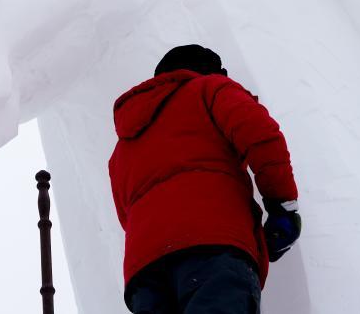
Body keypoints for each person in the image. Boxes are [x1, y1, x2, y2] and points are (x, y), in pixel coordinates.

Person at [108, 45, 301, 314]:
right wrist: (282, 206)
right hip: (213, 250)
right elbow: (260, 135)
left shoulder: (122, 148)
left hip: (145, 272)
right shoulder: (209, 89)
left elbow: (125, 216)